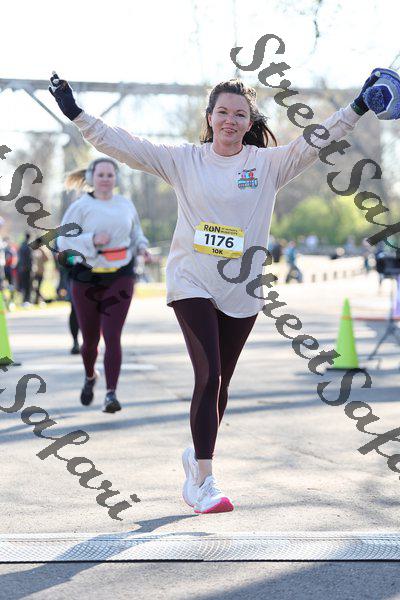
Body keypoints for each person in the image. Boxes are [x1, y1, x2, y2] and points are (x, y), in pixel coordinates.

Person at [50, 69, 379, 514]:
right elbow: (125, 145)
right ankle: (203, 481)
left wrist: (357, 107)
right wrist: (77, 114)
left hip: (242, 288)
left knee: (220, 382)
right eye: (222, 112)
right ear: (209, 117)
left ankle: (196, 456)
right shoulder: (184, 160)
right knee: (207, 375)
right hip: (192, 280)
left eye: (239, 114)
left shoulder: (268, 165)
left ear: (250, 121)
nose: (230, 120)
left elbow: (315, 141)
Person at [57, 157, 150, 413]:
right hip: (86, 277)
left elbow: (136, 234)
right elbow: (63, 242)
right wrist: (91, 240)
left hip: (120, 275)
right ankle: (90, 376)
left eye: (110, 175)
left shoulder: (125, 204)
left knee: (112, 335)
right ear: (91, 177)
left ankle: (111, 394)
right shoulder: (80, 207)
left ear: (116, 178)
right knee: (89, 341)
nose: (106, 179)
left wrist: (142, 247)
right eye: (101, 175)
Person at [17, 233, 33, 306]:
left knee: (23, 285)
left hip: (22, 268)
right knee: (28, 285)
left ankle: (24, 300)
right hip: (27, 269)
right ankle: (27, 300)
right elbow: (30, 259)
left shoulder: (21, 245)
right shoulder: (28, 246)